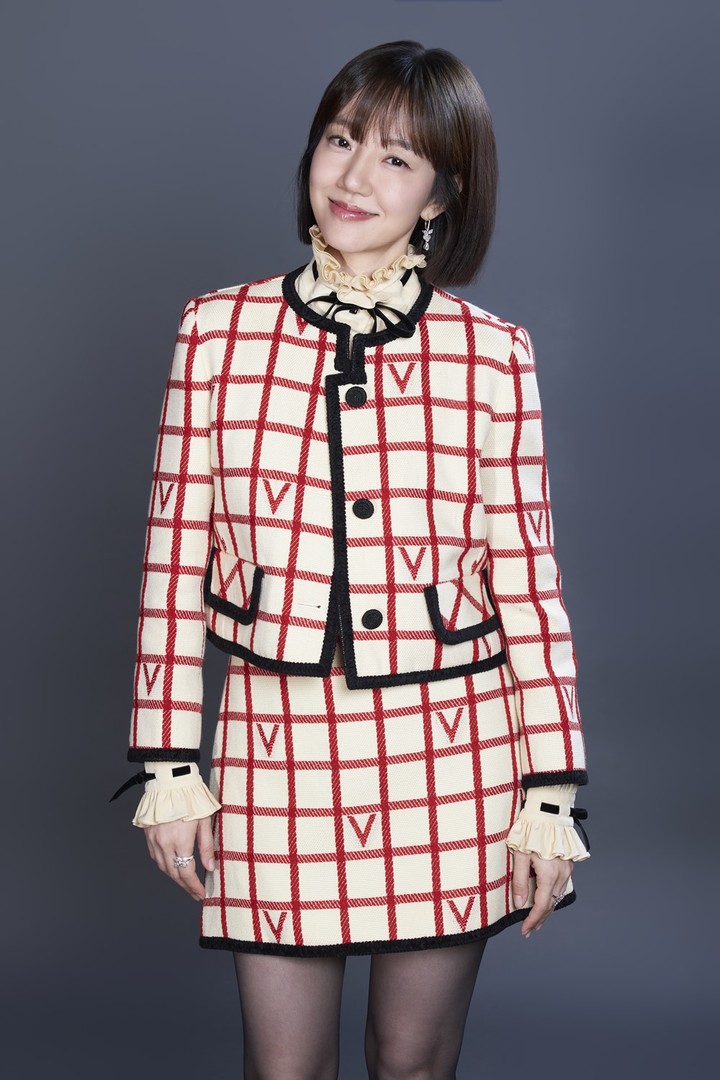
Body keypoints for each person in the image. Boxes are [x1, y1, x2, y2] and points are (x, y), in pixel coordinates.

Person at [111, 40, 590, 1080]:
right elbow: (170, 560)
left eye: (397, 159)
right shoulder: (216, 333)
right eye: (341, 140)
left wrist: (550, 791)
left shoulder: (494, 355)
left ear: (441, 196)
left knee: (412, 1062)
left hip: (451, 754)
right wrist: (169, 765)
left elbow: (529, 582)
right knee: (284, 1068)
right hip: (274, 744)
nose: (355, 177)